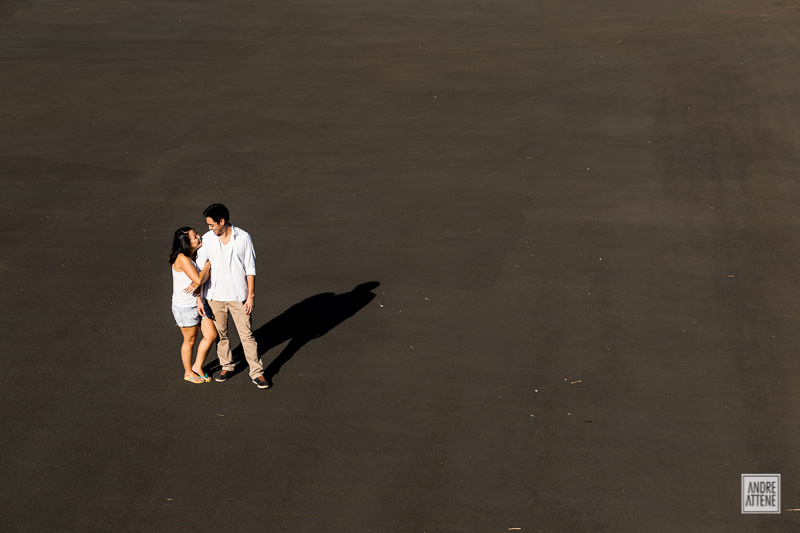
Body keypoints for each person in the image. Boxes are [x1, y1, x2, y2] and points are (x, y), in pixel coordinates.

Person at [195, 204, 269, 388]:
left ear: (222, 221)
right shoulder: (208, 239)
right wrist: (199, 297)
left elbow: (250, 268)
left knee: (247, 335)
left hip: (238, 297)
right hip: (213, 296)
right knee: (221, 336)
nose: (209, 229)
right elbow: (199, 271)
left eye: (212, 225)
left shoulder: (243, 238)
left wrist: (250, 296)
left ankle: (257, 372)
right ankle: (227, 366)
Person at [169, 227, 217, 384]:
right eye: (194, 236)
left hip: (198, 302)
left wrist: (200, 279)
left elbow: (200, 279)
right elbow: (198, 279)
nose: (199, 237)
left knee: (211, 335)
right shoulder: (182, 258)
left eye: (196, 234)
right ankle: (188, 372)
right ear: (186, 243)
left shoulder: (194, 255)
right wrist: (208, 266)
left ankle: (197, 366)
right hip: (185, 307)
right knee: (189, 341)